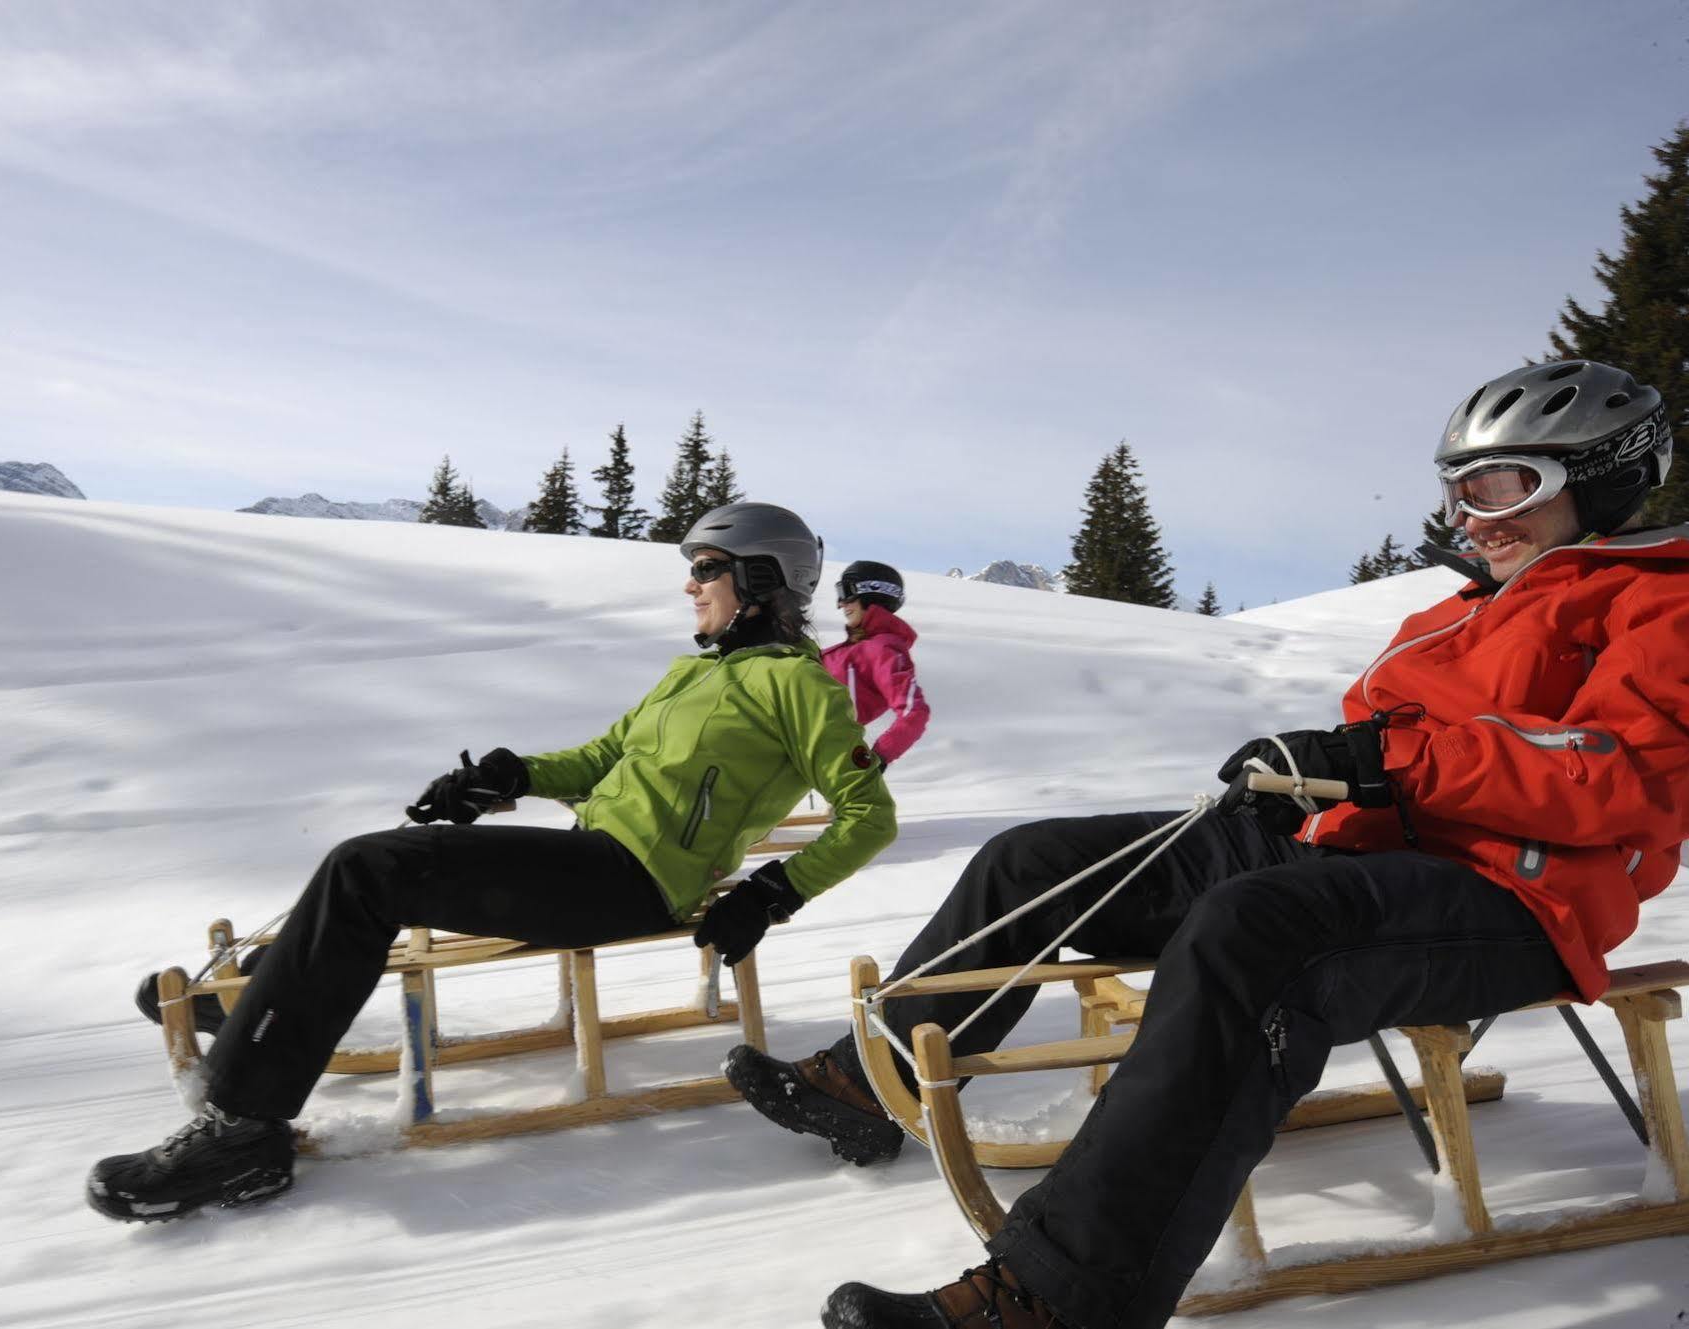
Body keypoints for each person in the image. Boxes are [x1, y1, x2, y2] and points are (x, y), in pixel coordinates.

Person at [769, 361, 1681, 1329]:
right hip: (1363, 857)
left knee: (1253, 931)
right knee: (1037, 863)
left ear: (1603, 474)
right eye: (1455, 490)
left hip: (1512, 901)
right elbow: (1399, 755)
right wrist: (1313, 783)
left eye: (1500, 486)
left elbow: (1633, 777)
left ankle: (1056, 1296)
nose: (1469, 516)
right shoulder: (1456, 613)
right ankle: (875, 1086)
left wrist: (1384, 762)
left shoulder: (1659, 601)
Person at [85, 501, 896, 1223]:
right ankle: (267, 999)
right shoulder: (696, 671)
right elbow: (606, 755)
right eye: (692, 570)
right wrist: (510, 775)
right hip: (590, 856)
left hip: (631, 881)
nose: (690, 585)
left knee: (367, 870)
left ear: (761, 578)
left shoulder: (800, 685)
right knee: (371, 869)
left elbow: (870, 815)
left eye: (706, 570)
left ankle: (242, 1132)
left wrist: (770, 892)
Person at [821, 561, 931, 770]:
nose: (840, 604)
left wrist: (878, 758)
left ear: (871, 593)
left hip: (806, 751)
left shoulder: (883, 649)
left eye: (845, 592)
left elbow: (915, 713)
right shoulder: (847, 650)